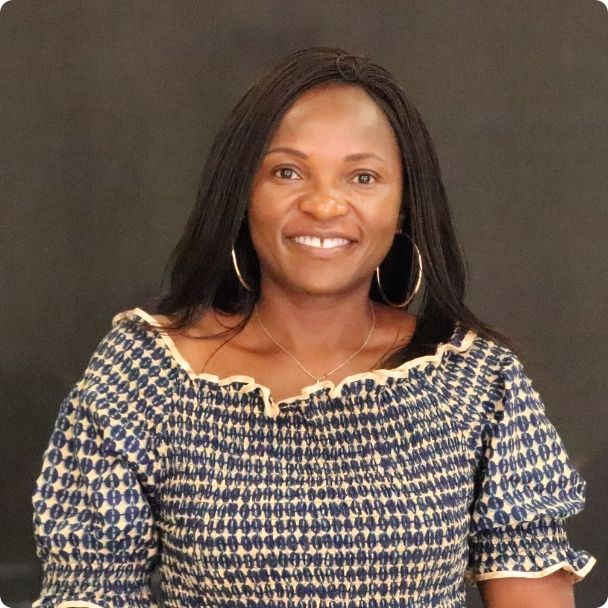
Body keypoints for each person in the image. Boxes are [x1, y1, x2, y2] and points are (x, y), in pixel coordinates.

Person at [31, 47, 596, 608]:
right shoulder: (143, 371)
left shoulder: (477, 381)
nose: (325, 206)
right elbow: (88, 590)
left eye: (363, 177)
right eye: (287, 171)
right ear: (243, 194)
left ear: (403, 207)